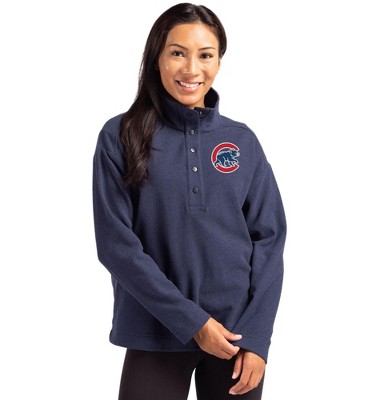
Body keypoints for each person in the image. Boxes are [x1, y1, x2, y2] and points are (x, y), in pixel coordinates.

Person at [92, 3, 286, 399]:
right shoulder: (120, 136)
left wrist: (258, 337)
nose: (191, 69)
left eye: (206, 55)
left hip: (236, 338)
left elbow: (269, 240)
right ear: (157, 58)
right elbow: (116, 246)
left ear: (219, 62)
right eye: (178, 53)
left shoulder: (242, 141)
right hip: (154, 330)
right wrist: (193, 322)